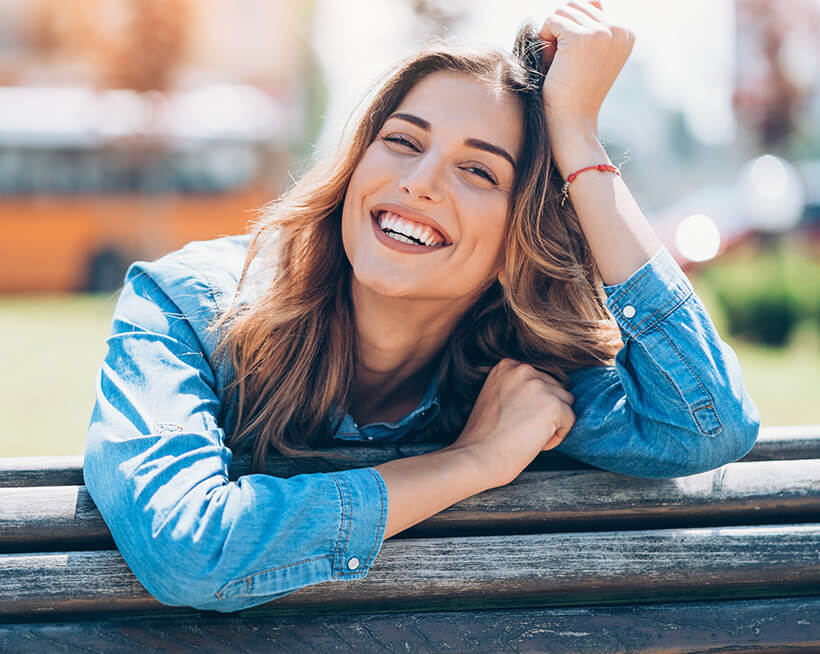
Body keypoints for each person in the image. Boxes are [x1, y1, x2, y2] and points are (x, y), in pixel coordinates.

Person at [83, 1, 760, 612]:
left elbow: (704, 425)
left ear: (519, 237)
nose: (419, 182)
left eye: (478, 170)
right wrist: (472, 463)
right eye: (403, 141)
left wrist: (578, 138)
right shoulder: (190, 307)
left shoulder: (513, 377)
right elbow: (191, 549)